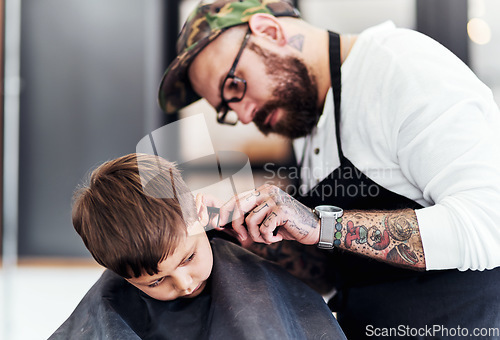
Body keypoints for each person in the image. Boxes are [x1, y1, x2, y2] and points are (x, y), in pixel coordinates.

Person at [158, 0, 500, 338]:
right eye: (228, 110)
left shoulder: (401, 68)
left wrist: (321, 225)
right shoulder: (308, 123)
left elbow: (489, 225)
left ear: (269, 30)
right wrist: (242, 229)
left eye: (234, 85)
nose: (245, 116)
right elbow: (330, 271)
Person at [49, 153, 345, 339]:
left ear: (200, 211)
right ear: (126, 278)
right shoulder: (112, 303)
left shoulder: (252, 244)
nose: (185, 283)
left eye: (188, 257)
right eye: (156, 281)